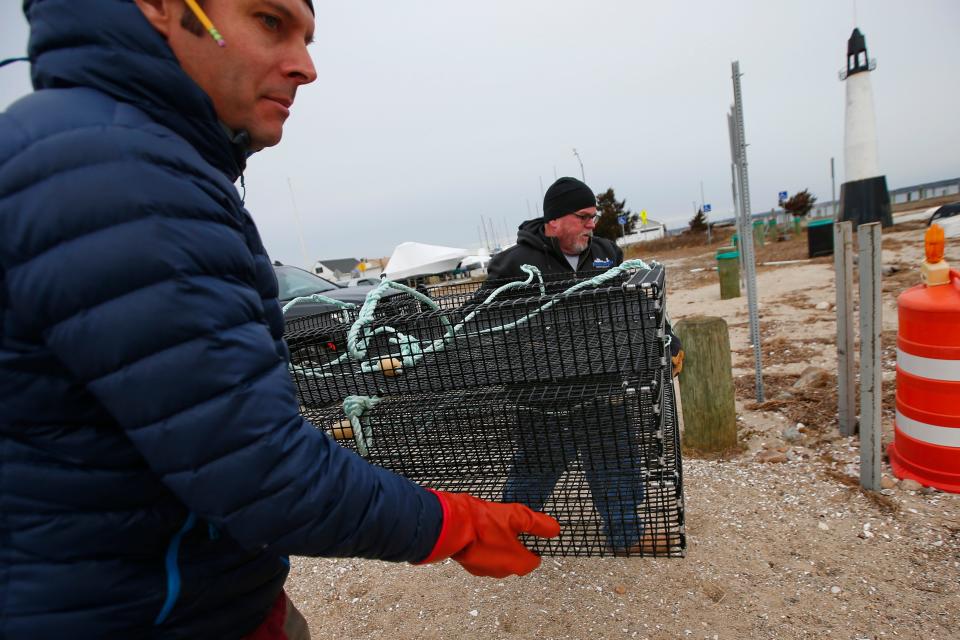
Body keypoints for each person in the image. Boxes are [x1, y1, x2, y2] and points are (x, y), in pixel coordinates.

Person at [0, 1, 558, 638]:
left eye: (307, 36)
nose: (306, 67)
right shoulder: (117, 174)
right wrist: (451, 523)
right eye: (269, 20)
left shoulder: (109, 149)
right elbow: (257, 468)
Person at [486, 177, 683, 554]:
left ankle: (627, 537)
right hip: (542, 393)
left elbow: (636, 306)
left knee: (616, 456)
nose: (593, 223)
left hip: (604, 381)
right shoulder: (514, 263)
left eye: (595, 215)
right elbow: (481, 319)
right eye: (584, 216)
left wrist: (666, 336)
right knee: (537, 467)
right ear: (555, 221)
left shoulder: (607, 253)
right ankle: (500, 533)